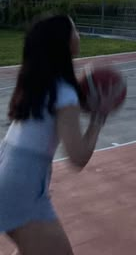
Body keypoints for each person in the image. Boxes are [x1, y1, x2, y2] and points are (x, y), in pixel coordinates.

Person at [0, 13, 120, 255]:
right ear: (63, 43)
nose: (79, 34)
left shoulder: (42, 83)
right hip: (21, 185)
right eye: (75, 29)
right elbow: (78, 158)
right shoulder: (64, 94)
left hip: (13, 173)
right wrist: (99, 117)